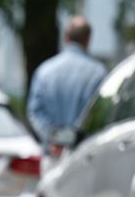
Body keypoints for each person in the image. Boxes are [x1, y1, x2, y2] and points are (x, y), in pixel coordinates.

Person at [27, 16, 106, 153]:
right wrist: (74, 140)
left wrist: (53, 139)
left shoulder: (44, 71)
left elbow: (35, 112)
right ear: (88, 40)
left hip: (52, 153)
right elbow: (99, 115)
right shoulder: (98, 73)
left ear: (66, 38)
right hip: (84, 153)